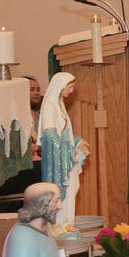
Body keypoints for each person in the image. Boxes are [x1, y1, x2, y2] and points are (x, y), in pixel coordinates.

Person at [36, 73, 88, 227]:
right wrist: (71, 153)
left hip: (65, 157)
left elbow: (64, 134)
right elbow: (51, 137)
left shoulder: (59, 104)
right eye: (70, 87)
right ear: (61, 86)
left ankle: (67, 225)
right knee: (61, 195)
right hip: (58, 161)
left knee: (72, 190)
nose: (71, 91)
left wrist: (78, 143)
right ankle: (60, 227)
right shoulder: (49, 106)